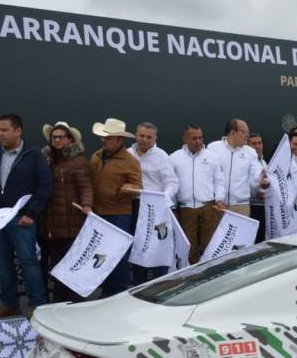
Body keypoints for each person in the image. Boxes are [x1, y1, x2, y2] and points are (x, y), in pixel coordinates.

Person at [0, 114, 51, 316]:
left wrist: (31, 213)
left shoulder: (34, 156)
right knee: (1, 264)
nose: (0, 134)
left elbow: (45, 187)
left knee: (29, 262)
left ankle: (38, 305)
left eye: (4, 130)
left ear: (18, 131)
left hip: (21, 220)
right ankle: (9, 304)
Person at [89, 117, 143, 295]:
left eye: (109, 137)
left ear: (120, 140)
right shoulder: (96, 157)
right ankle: (106, 292)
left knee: (118, 257)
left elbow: (139, 188)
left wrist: (131, 188)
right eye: (104, 137)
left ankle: (118, 294)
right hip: (97, 215)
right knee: (101, 255)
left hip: (119, 215)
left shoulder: (130, 161)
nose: (104, 140)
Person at [40, 121, 92, 302]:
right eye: (54, 137)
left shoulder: (78, 162)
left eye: (61, 137)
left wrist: (86, 204)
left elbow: (85, 187)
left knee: (74, 262)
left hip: (72, 221)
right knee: (57, 264)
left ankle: (76, 301)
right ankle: (60, 300)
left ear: (69, 139)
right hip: (51, 223)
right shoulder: (46, 161)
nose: (57, 140)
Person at [129, 122, 179, 284]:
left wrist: (163, 198)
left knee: (156, 247)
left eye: (149, 137)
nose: (144, 140)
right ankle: (137, 284)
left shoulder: (162, 156)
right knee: (138, 247)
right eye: (141, 136)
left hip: (156, 209)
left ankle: (158, 284)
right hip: (134, 207)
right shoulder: (127, 154)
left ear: (155, 138)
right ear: (135, 135)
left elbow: (172, 183)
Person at [171, 124, 226, 264]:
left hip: (209, 208)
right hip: (185, 210)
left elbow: (219, 181)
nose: (198, 141)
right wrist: (171, 206)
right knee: (189, 249)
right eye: (194, 138)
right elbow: (171, 183)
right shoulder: (174, 158)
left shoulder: (213, 157)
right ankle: (193, 279)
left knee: (210, 247)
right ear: (185, 139)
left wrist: (219, 199)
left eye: (200, 138)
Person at [207, 119, 268, 217]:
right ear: (233, 133)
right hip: (217, 205)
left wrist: (260, 180)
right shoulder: (212, 148)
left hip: (241, 207)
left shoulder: (251, 152)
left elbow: (256, 173)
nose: (247, 135)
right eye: (244, 132)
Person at [247, 133, 267, 242]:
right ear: (248, 145)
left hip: (264, 208)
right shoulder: (246, 162)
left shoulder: (263, 162)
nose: (257, 146)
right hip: (253, 208)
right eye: (254, 143)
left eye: (259, 143)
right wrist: (255, 193)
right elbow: (244, 183)